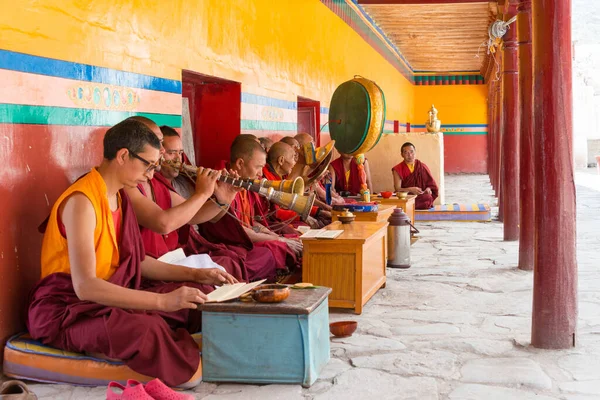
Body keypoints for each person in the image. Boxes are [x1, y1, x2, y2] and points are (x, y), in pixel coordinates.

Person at [27, 119, 236, 388]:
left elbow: (138, 262)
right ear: (124, 155)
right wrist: (161, 302)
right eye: (148, 165)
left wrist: (198, 274)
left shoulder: (120, 197)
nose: (151, 175)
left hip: (109, 299)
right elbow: (85, 287)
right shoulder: (82, 202)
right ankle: (103, 346)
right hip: (69, 311)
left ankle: (127, 342)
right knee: (147, 328)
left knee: (194, 297)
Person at [159, 125, 277, 282]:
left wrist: (226, 197)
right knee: (231, 263)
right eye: (171, 153)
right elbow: (191, 218)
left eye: (180, 153)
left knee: (259, 255)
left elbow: (211, 218)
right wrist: (204, 193)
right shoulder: (156, 186)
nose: (177, 159)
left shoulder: (185, 181)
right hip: (180, 252)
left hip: (199, 246)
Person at [198, 138, 302, 275]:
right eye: (258, 167)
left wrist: (271, 234)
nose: (260, 173)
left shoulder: (245, 184)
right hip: (232, 244)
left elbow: (251, 222)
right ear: (240, 163)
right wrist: (276, 239)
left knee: (286, 241)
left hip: (247, 239)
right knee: (271, 249)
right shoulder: (221, 185)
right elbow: (237, 230)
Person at [262, 142, 326, 228]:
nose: (295, 162)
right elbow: (278, 211)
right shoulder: (265, 179)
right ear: (281, 160)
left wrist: (319, 211)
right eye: (293, 158)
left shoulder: (279, 174)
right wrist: (303, 216)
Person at [392, 142, 439, 210]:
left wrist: (428, 189)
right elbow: (398, 189)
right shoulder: (397, 169)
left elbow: (431, 185)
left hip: (420, 196)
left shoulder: (422, 166)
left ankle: (407, 206)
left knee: (427, 197)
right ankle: (407, 205)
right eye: (406, 153)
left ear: (415, 152)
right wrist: (411, 189)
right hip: (406, 196)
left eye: (412, 152)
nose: (410, 155)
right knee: (399, 199)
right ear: (402, 155)